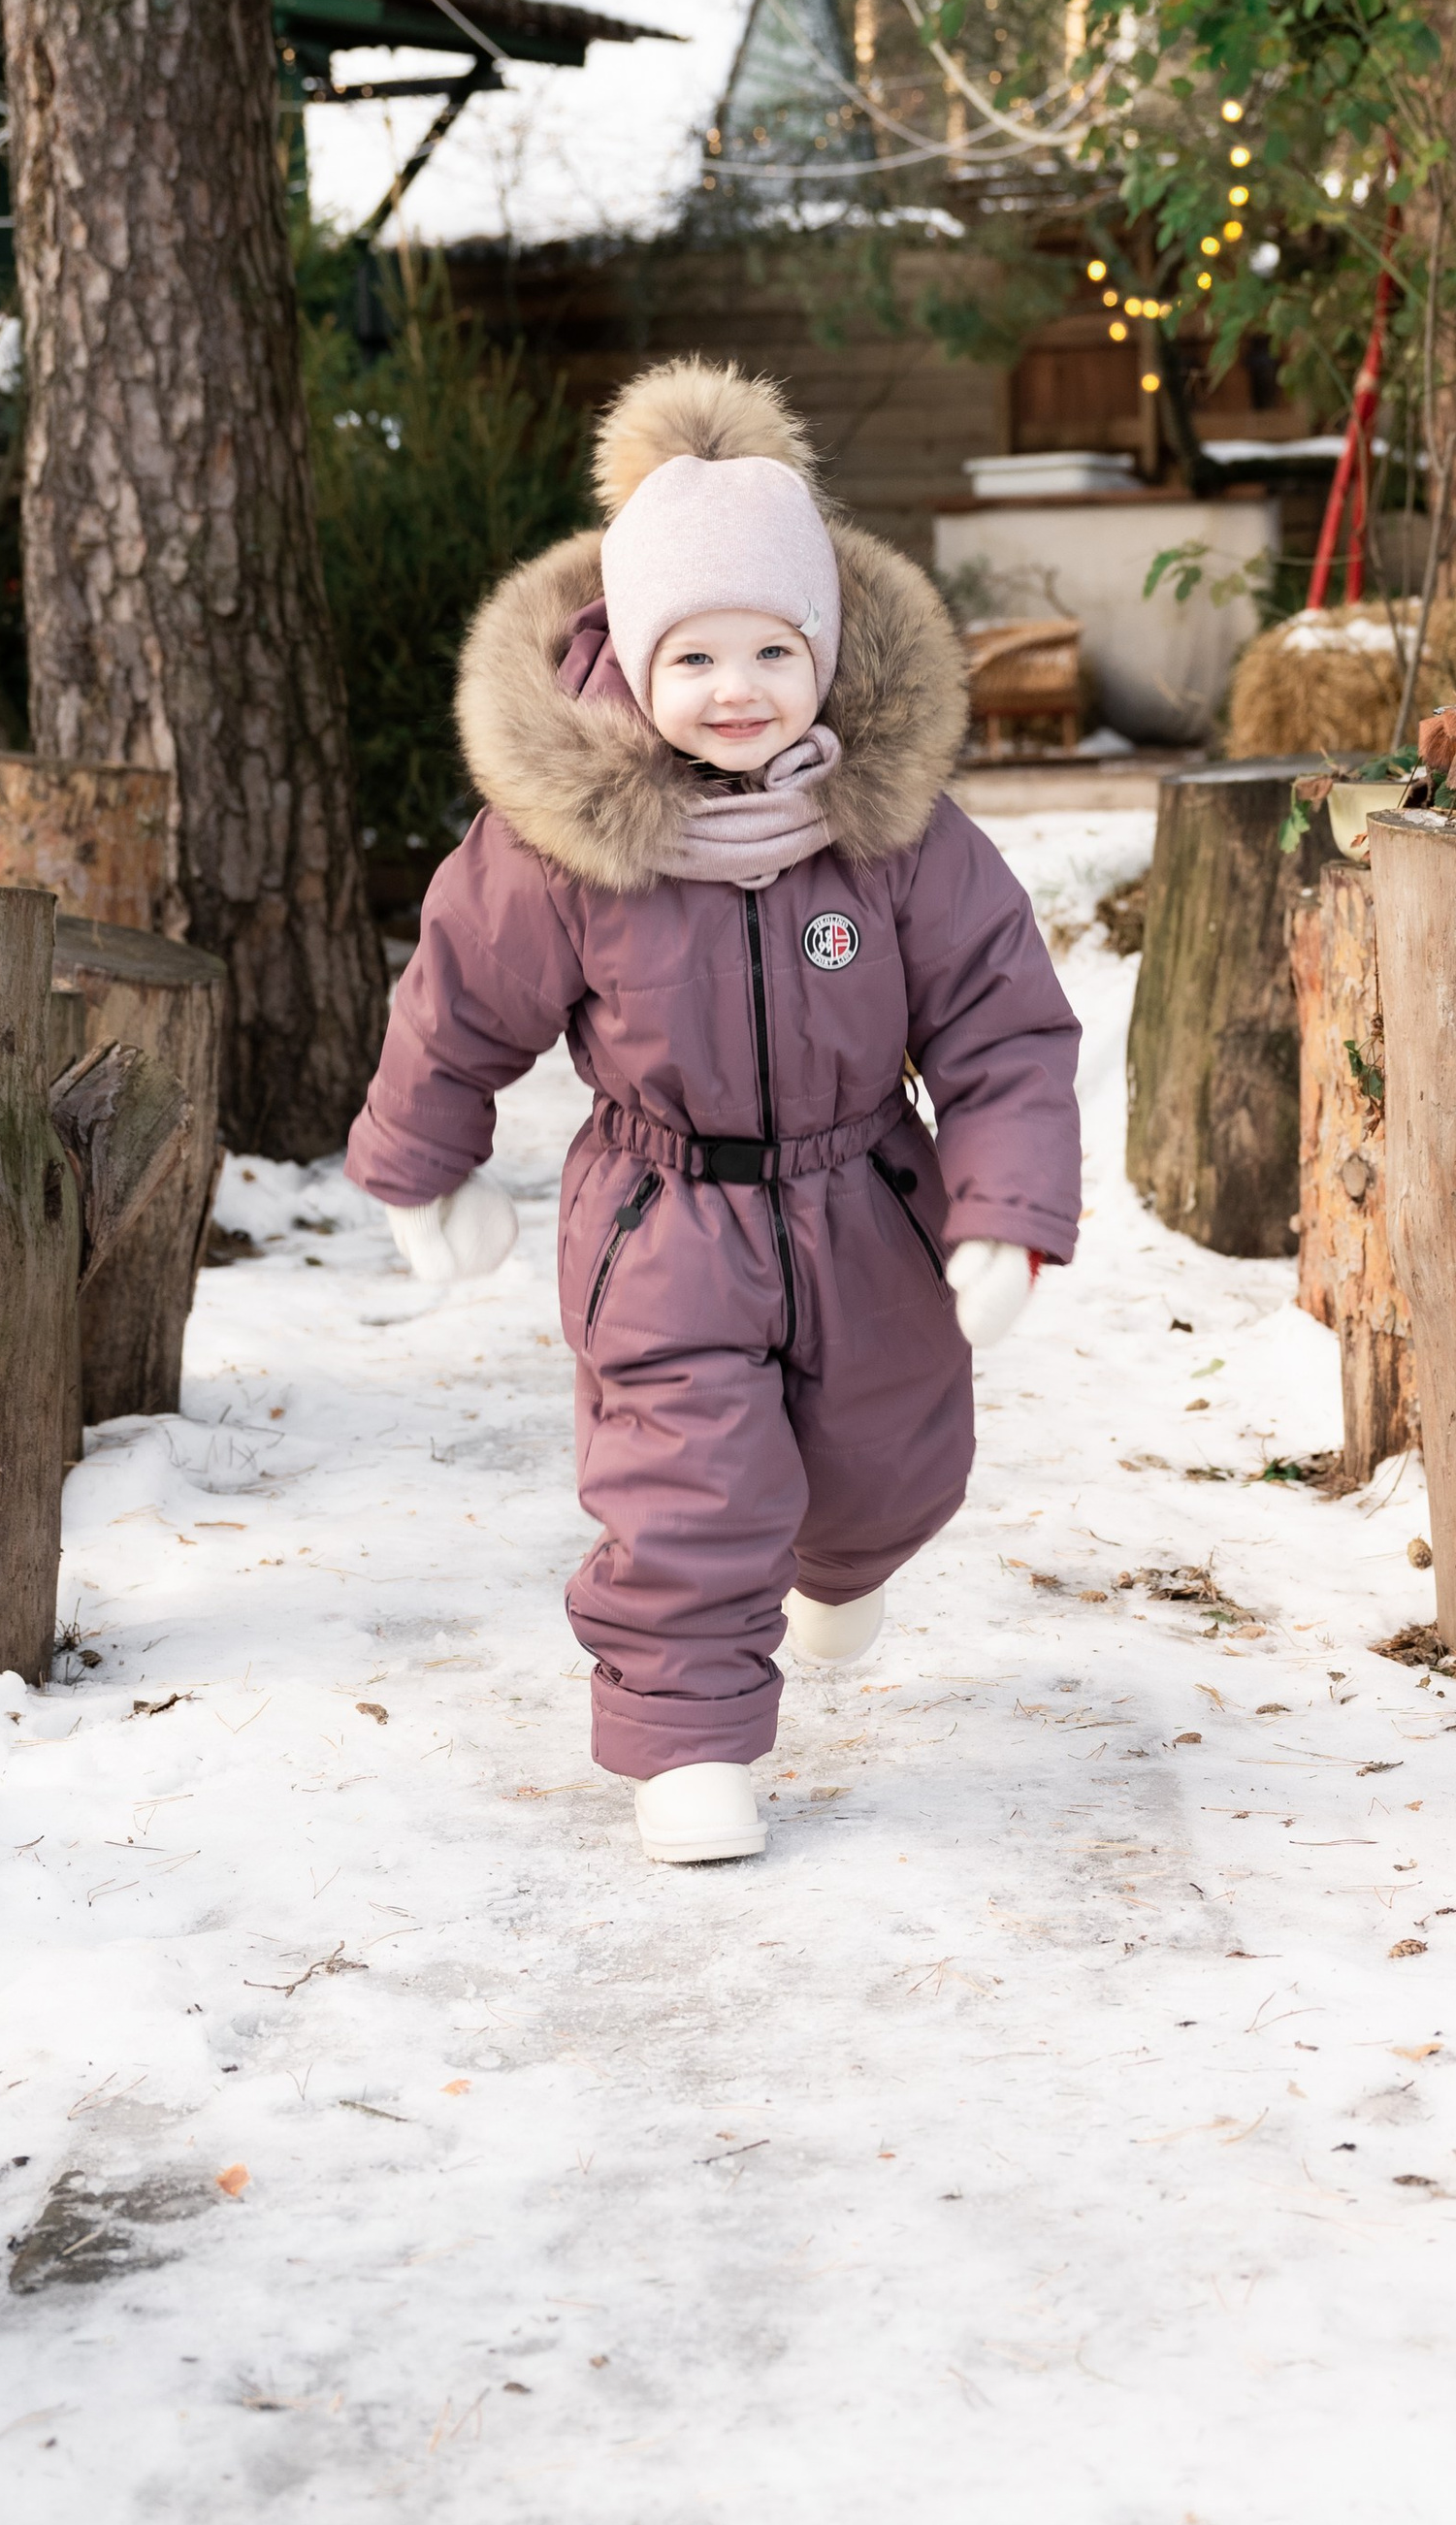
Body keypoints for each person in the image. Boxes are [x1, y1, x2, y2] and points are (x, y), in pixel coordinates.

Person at [346, 357, 1083, 1867]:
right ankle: (685, 1742)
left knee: (894, 1459)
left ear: (826, 656)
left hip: (867, 1196)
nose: (735, 689)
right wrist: (425, 1165)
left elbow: (1004, 1023)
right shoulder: (565, 848)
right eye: (693, 657)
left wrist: (1004, 1208)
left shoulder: (897, 844)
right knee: (690, 1484)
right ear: (625, 664)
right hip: (664, 1213)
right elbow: (460, 998)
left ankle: (846, 1563)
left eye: (770, 649)